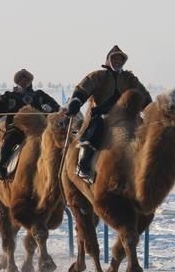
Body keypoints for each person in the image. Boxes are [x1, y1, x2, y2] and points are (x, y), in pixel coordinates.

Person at [64, 46, 151, 183]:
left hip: (126, 117)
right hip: (102, 115)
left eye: (120, 59)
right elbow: (84, 88)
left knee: (145, 133)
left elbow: (143, 95)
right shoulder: (99, 76)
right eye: (114, 58)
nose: (117, 61)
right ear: (108, 60)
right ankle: (84, 164)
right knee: (96, 128)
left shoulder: (129, 78)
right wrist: (76, 101)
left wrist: (151, 109)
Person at [0, 69, 59, 180]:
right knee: (9, 140)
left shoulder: (39, 95)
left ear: (30, 81)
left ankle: (61, 169)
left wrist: (50, 107)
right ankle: (1, 166)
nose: (23, 81)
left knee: (56, 143)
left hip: (39, 130)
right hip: (16, 128)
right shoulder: (10, 96)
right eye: (21, 79)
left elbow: (55, 106)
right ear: (17, 81)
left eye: (26, 79)